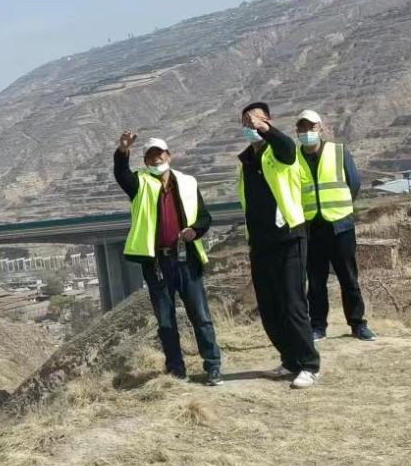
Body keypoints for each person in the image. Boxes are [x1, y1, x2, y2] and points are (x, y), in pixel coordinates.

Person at [113, 132, 223, 385]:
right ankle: (176, 371)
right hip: (157, 264)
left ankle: (213, 365)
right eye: (150, 156)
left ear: (168, 155)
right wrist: (122, 151)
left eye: (159, 154)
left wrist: (194, 231)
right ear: (146, 161)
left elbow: (205, 216)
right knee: (165, 322)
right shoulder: (139, 184)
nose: (156, 160)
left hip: (187, 260)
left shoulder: (187, 183)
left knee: (201, 316)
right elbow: (121, 174)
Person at [238, 102, 321, 389]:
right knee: (270, 306)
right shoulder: (247, 161)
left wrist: (264, 128)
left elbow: (285, 145)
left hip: (288, 236)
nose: (251, 127)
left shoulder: (283, 153)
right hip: (261, 243)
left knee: (293, 303)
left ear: (269, 122)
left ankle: (309, 364)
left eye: (256, 122)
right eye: (246, 124)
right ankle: (289, 360)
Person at [296, 110, 376, 342]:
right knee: (316, 281)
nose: (307, 132)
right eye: (302, 128)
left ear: (320, 128)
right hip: (312, 228)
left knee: (348, 278)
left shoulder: (338, 152)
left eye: (311, 127)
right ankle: (318, 326)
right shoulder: (294, 158)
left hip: (340, 226)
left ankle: (358, 324)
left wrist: (341, 210)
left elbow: (354, 183)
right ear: (297, 131)